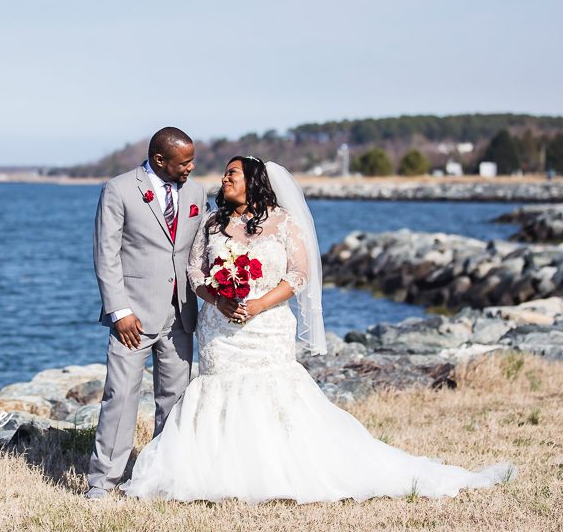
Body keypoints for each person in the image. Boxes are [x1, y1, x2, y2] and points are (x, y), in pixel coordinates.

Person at [120, 155, 515, 503]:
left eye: (233, 174)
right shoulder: (211, 221)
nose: (225, 180)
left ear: (255, 182)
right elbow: (194, 271)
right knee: (217, 389)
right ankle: (213, 470)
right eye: (225, 174)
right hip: (218, 327)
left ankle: (277, 470)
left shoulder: (283, 223)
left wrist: (258, 302)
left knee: (272, 391)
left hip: (267, 324)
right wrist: (217, 297)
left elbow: (299, 274)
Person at [86, 127, 207, 500]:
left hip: (181, 313)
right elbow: (106, 255)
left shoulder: (196, 193)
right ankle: (103, 482)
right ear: (159, 160)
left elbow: (201, 245)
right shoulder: (119, 190)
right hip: (132, 316)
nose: (190, 168)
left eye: (192, 161)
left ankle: (162, 476)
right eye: (184, 162)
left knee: (175, 398)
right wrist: (119, 310)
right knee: (120, 396)